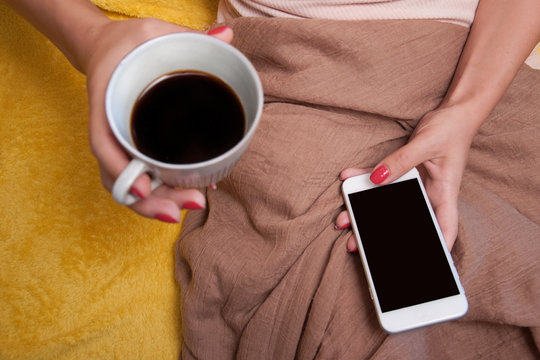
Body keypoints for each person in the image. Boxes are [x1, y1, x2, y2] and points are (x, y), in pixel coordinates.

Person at [4, 0, 540, 358]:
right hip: (298, 75)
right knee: (350, 316)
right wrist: (94, 37)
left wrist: (465, 111)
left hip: (481, 65)